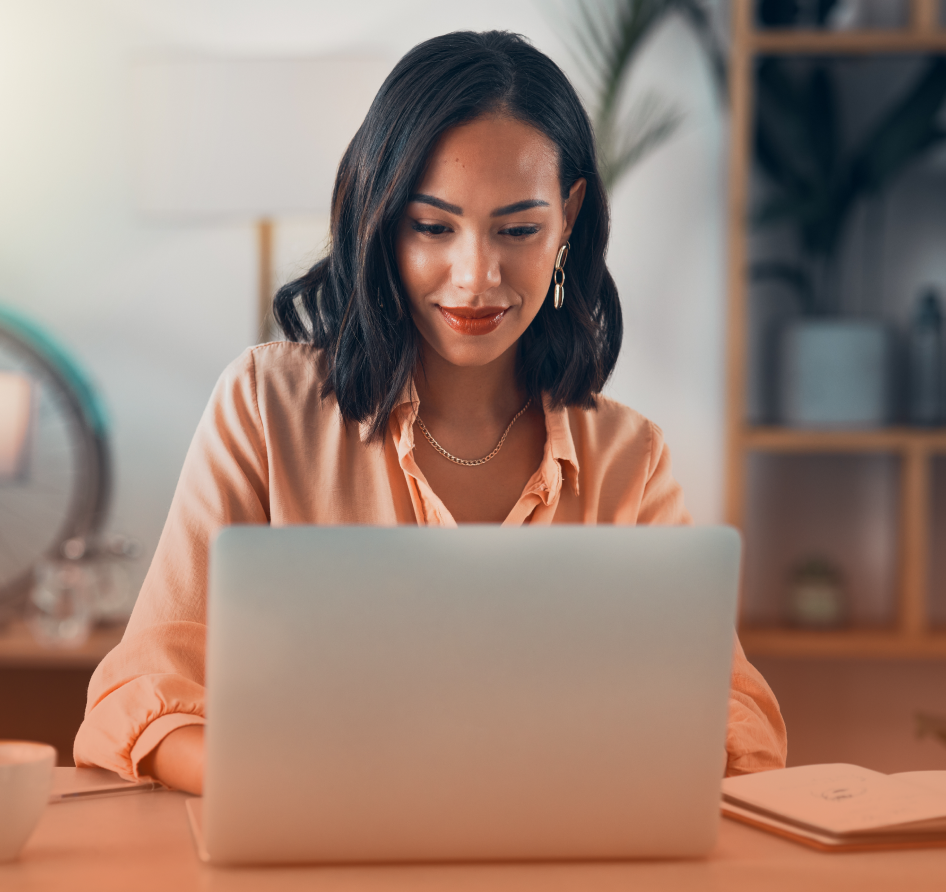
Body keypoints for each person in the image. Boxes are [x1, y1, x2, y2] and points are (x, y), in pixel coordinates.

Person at [74, 30, 787, 794]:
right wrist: (297, 786)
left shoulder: (626, 459)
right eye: (432, 227)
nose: (476, 276)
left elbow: (731, 715)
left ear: (570, 218)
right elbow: (141, 697)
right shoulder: (264, 408)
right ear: (380, 221)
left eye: (518, 230)